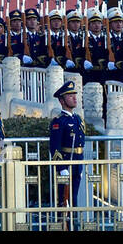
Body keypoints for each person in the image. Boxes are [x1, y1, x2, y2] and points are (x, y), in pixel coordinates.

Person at [48, 80, 84, 227]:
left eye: (74, 95)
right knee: (64, 200)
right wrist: (62, 167)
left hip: (76, 164)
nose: (74, 98)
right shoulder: (59, 121)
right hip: (66, 164)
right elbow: (55, 147)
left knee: (74, 198)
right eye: (70, 96)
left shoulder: (77, 119)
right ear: (62, 100)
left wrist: (80, 164)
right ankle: (63, 226)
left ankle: (74, 225)